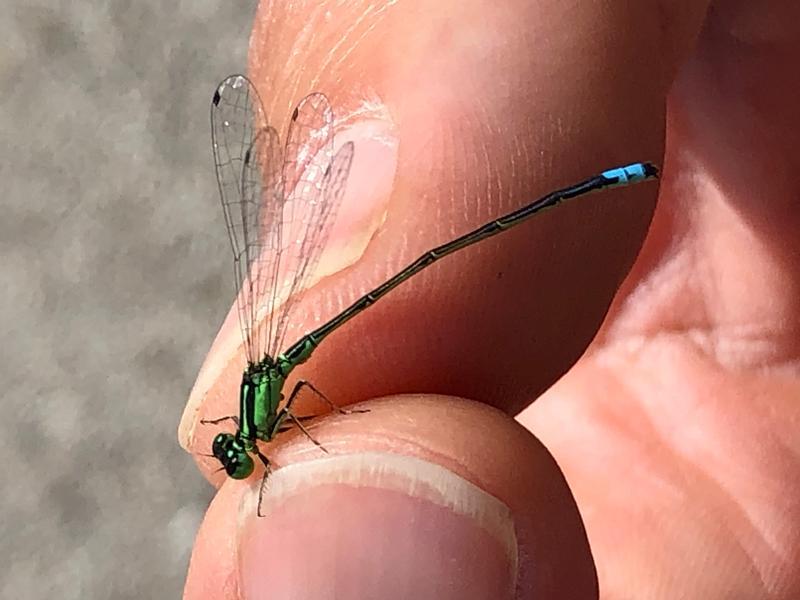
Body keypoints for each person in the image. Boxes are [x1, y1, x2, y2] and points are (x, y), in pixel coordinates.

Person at [181, 1, 800, 598]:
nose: (239, 454)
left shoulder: (262, 413)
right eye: (235, 453)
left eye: (236, 452)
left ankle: (605, 179)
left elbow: (306, 400)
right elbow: (303, 401)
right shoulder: (260, 411)